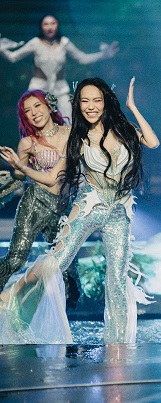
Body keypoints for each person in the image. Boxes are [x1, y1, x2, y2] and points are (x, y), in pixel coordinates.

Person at [0, 77, 159, 344]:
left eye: (96, 100)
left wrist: (132, 107)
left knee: (118, 278)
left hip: (118, 212)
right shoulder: (77, 137)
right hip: (88, 206)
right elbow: (52, 178)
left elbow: (152, 142)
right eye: (85, 101)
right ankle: (14, 291)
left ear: (106, 102)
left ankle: (118, 344)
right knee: (55, 263)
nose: (90, 106)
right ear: (78, 105)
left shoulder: (124, 129)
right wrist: (21, 167)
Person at [0, 90, 78, 306]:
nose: (34, 113)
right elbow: (20, 176)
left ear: (49, 106)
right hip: (35, 202)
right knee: (16, 258)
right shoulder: (27, 143)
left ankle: (61, 316)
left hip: (63, 207)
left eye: (37, 106)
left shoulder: (71, 133)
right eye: (27, 111)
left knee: (67, 266)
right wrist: (11, 172)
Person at [0, 14, 119, 120]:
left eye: (53, 23)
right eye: (46, 24)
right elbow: (13, 57)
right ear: (41, 27)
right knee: (33, 120)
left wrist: (104, 55)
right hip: (38, 87)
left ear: (57, 25)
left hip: (60, 88)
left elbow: (82, 58)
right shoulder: (35, 43)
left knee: (68, 120)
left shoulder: (64, 43)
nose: (49, 27)